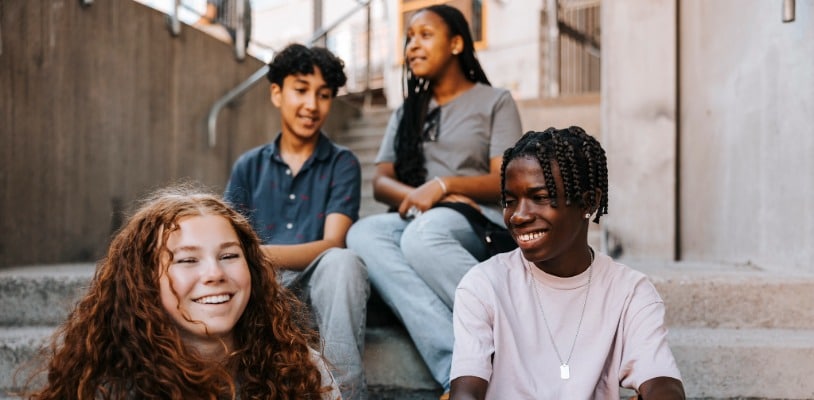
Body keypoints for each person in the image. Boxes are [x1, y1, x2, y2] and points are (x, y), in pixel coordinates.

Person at [346, 4, 523, 397]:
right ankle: (458, 367)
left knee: (422, 237)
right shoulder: (408, 111)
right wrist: (422, 196)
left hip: (476, 218)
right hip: (424, 215)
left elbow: (506, 178)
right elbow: (382, 181)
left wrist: (444, 186)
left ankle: (516, 330)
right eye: (409, 37)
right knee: (363, 234)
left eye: (425, 35)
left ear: (457, 43)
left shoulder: (495, 100)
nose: (413, 45)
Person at [21, 185, 341, 399]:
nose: (214, 274)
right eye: (188, 260)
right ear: (145, 280)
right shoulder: (107, 387)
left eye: (229, 256)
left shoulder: (298, 366)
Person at [450, 127, 686, 399]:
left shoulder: (630, 292)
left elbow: (664, 386)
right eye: (510, 201)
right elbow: (465, 392)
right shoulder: (483, 285)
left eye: (539, 198)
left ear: (589, 201)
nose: (518, 216)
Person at [224, 43, 369, 400]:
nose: (312, 105)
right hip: (261, 288)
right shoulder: (249, 165)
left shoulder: (343, 163)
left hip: (317, 285)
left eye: (323, 95)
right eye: (301, 90)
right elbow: (229, 241)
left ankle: (346, 394)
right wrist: (254, 262)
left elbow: (333, 242)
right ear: (277, 93)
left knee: (344, 260)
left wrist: (259, 253)